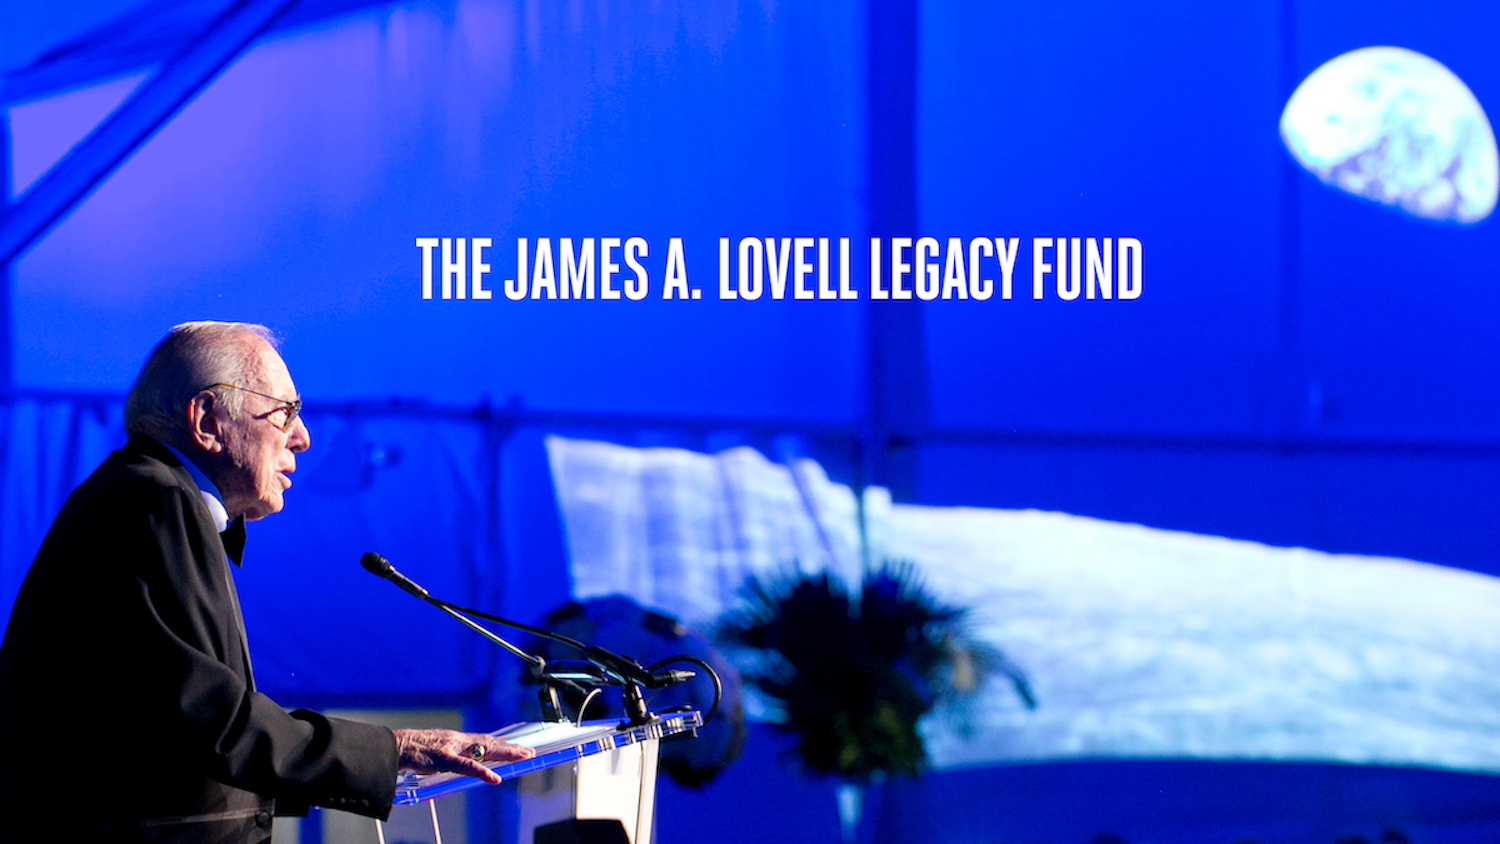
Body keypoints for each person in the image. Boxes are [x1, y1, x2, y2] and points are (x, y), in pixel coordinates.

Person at [0, 322, 532, 843]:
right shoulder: (154, 501)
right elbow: (212, 723)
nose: (301, 438)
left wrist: (364, 767)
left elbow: (168, 740)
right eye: (285, 411)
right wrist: (391, 751)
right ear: (207, 419)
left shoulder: (143, 496)